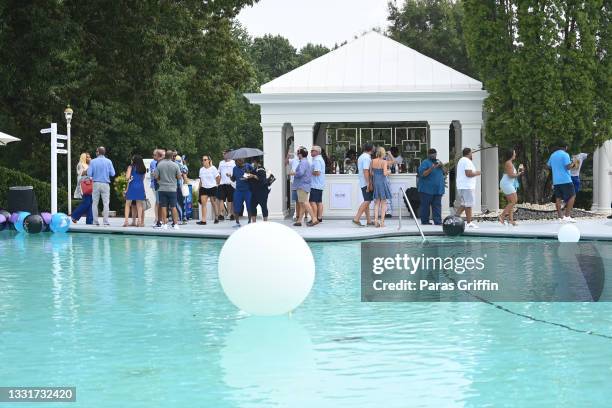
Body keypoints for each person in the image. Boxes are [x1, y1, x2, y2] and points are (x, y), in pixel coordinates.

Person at [547, 142, 576, 222]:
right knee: (572, 196)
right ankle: (567, 216)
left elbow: (548, 166)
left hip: (556, 180)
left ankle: (560, 217)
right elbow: (568, 167)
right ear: (565, 147)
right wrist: (573, 163)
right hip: (565, 179)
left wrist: (556, 167)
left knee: (558, 198)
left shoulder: (553, 155)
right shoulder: (565, 154)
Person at [152, 150, 181, 230]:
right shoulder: (175, 165)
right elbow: (179, 177)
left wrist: (159, 180)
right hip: (172, 189)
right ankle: (175, 224)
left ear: (165, 156)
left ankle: (164, 224)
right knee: (173, 207)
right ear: (172, 156)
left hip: (162, 189)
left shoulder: (160, 165)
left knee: (163, 207)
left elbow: (155, 176)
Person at [417, 148, 446, 225]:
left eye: (435, 154)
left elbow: (445, 172)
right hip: (426, 189)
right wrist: (432, 167)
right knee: (425, 206)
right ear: (429, 155)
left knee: (437, 206)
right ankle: (425, 221)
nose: (434, 155)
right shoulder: (425, 162)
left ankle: (438, 221)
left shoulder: (438, 162)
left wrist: (442, 166)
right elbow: (423, 174)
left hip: (438, 189)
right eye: (432, 154)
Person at [87, 146, 116, 226]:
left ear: (98, 152)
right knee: (106, 203)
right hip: (105, 184)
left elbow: (89, 174)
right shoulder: (109, 161)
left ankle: (95, 221)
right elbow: (113, 173)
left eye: (96, 151)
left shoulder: (93, 161)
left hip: (96, 183)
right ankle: (105, 222)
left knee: (95, 203)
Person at [455, 147, 481, 229]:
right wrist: (477, 173)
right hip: (467, 187)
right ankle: (469, 223)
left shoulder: (461, 160)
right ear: (469, 153)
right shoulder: (467, 161)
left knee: (464, 204)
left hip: (462, 186)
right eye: (471, 153)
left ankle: (454, 219)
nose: (472, 155)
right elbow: (468, 173)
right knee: (468, 204)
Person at [293, 147, 319, 227]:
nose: (297, 155)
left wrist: (293, 173)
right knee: (302, 204)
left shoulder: (303, 162)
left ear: (300, 154)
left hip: (302, 185)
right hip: (304, 185)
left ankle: (314, 219)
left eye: (298, 153)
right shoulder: (306, 162)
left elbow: (300, 173)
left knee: (304, 202)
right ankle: (299, 221)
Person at [498, 149, 524, 226]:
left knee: (511, 203)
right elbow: (511, 175)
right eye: (514, 153)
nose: (515, 154)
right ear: (511, 154)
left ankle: (511, 220)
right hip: (506, 183)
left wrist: (519, 172)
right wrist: (519, 174)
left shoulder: (510, 163)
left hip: (507, 183)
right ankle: (502, 216)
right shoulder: (508, 163)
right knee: (514, 201)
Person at [353, 143, 374, 226]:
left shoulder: (362, 156)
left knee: (367, 201)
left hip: (363, 181)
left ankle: (369, 220)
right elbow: (366, 171)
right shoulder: (366, 158)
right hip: (366, 182)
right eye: (373, 147)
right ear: (371, 149)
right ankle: (356, 219)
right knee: (367, 201)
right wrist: (369, 183)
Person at [371, 147, 393, 227]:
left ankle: (376, 221)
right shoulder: (384, 162)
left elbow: (371, 173)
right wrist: (389, 172)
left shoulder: (372, 161)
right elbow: (384, 173)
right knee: (383, 203)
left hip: (376, 182)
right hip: (383, 183)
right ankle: (382, 222)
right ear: (383, 153)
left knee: (377, 203)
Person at [123, 155, 146, 227]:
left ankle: (126, 221)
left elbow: (127, 177)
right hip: (140, 186)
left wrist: (128, 176)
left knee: (128, 204)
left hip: (132, 186)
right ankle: (139, 221)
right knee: (139, 205)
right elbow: (142, 178)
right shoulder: (143, 168)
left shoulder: (131, 167)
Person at [197, 155, 220, 225]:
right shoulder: (201, 169)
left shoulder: (213, 168)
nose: (203, 161)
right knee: (203, 204)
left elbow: (218, 178)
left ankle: (216, 217)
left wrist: (217, 185)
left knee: (214, 203)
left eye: (205, 159)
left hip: (212, 187)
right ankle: (203, 220)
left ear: (209, 161)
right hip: (204, 188)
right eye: (203, 160)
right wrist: (199, 188)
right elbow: (201, 180)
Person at [230, 158, 253, 227]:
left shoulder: (248, 166)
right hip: (238, 190)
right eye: (235, 161)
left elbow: (254, 174)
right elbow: (233, 179)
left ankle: (249, 221)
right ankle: (237, 222)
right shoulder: (234, 168)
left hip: (248, 190)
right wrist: (230, 176)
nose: (236, 163)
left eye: (237, 161)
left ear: (242, 161)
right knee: (236, 206)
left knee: (249, 206)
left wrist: (249, 174)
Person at [71, 153, 93, 224]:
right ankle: (74, 216)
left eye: (89, 157)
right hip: (84, 186)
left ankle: (89, 221)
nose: (89, 158)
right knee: (86, 202)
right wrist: (90, 166)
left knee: (90, 203)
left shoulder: (89, 165)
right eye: (87, 157)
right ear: (84, 158)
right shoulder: (80, 164)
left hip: (91, 186)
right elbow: (81, 174)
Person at [248, 156, 270, 222]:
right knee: (252, 206)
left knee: (263, 206)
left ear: (255, 162)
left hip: (262, 192)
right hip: (254, 192)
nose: (252, 163)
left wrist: (253, 176)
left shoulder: (261, 169)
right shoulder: (254, 170)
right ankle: (254, 222)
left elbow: (262, 180)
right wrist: (247, 177)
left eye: (252, 162)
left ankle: (265, 222)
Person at [217, 150, 236, 221]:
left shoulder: (233, 162)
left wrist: (231, 175)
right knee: (221, 199)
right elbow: (218, 172)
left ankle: (230, 214)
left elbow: (235, 173)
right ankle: (221, 214)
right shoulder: (221, 163)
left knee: (230, 200)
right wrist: (218, 180)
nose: (223, 155)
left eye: (224, 154)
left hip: (231, 183)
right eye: (223, 154)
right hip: (222, 183)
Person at [309, 145, 326, 223]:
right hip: (319, 184)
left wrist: (308, 172)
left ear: (317, 152)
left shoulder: (317, 160)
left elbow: (317, 172)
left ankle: (314, 218)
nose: (311, 152)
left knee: (312, 201)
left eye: (312, 150)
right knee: (319, 202)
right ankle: (319, 218)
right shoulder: (318, 159)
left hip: (315, 184)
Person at [150, 149, 164, 227]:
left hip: (159, 184)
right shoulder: (153, 162)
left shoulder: (160, 162)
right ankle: (157, 218)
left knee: (158, 202)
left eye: (155, 155)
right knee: (158, 202)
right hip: (155, 184)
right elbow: (154, 173)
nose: (154, 156)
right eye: (153, 155)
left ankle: (159, 218)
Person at [175, 154, 189, 224]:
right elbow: (185, 176)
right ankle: (183, 217)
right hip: (181, 186)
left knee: (176, 203)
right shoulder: (183, 166)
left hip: (175, 186)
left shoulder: (174, 165)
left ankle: (178, 218)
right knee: (182, 203)